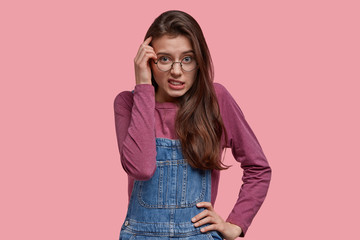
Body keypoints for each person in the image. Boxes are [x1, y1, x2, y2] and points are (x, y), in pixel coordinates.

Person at [114, 10, 271, 240]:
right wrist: (144, 86)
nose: (176, 71)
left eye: (187, 59)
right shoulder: (128, 103)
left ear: (199, 61)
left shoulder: (215, 100)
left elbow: (259, 168)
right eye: (164, 59)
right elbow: (141, 168)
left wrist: (235, 224)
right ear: (148, 60)